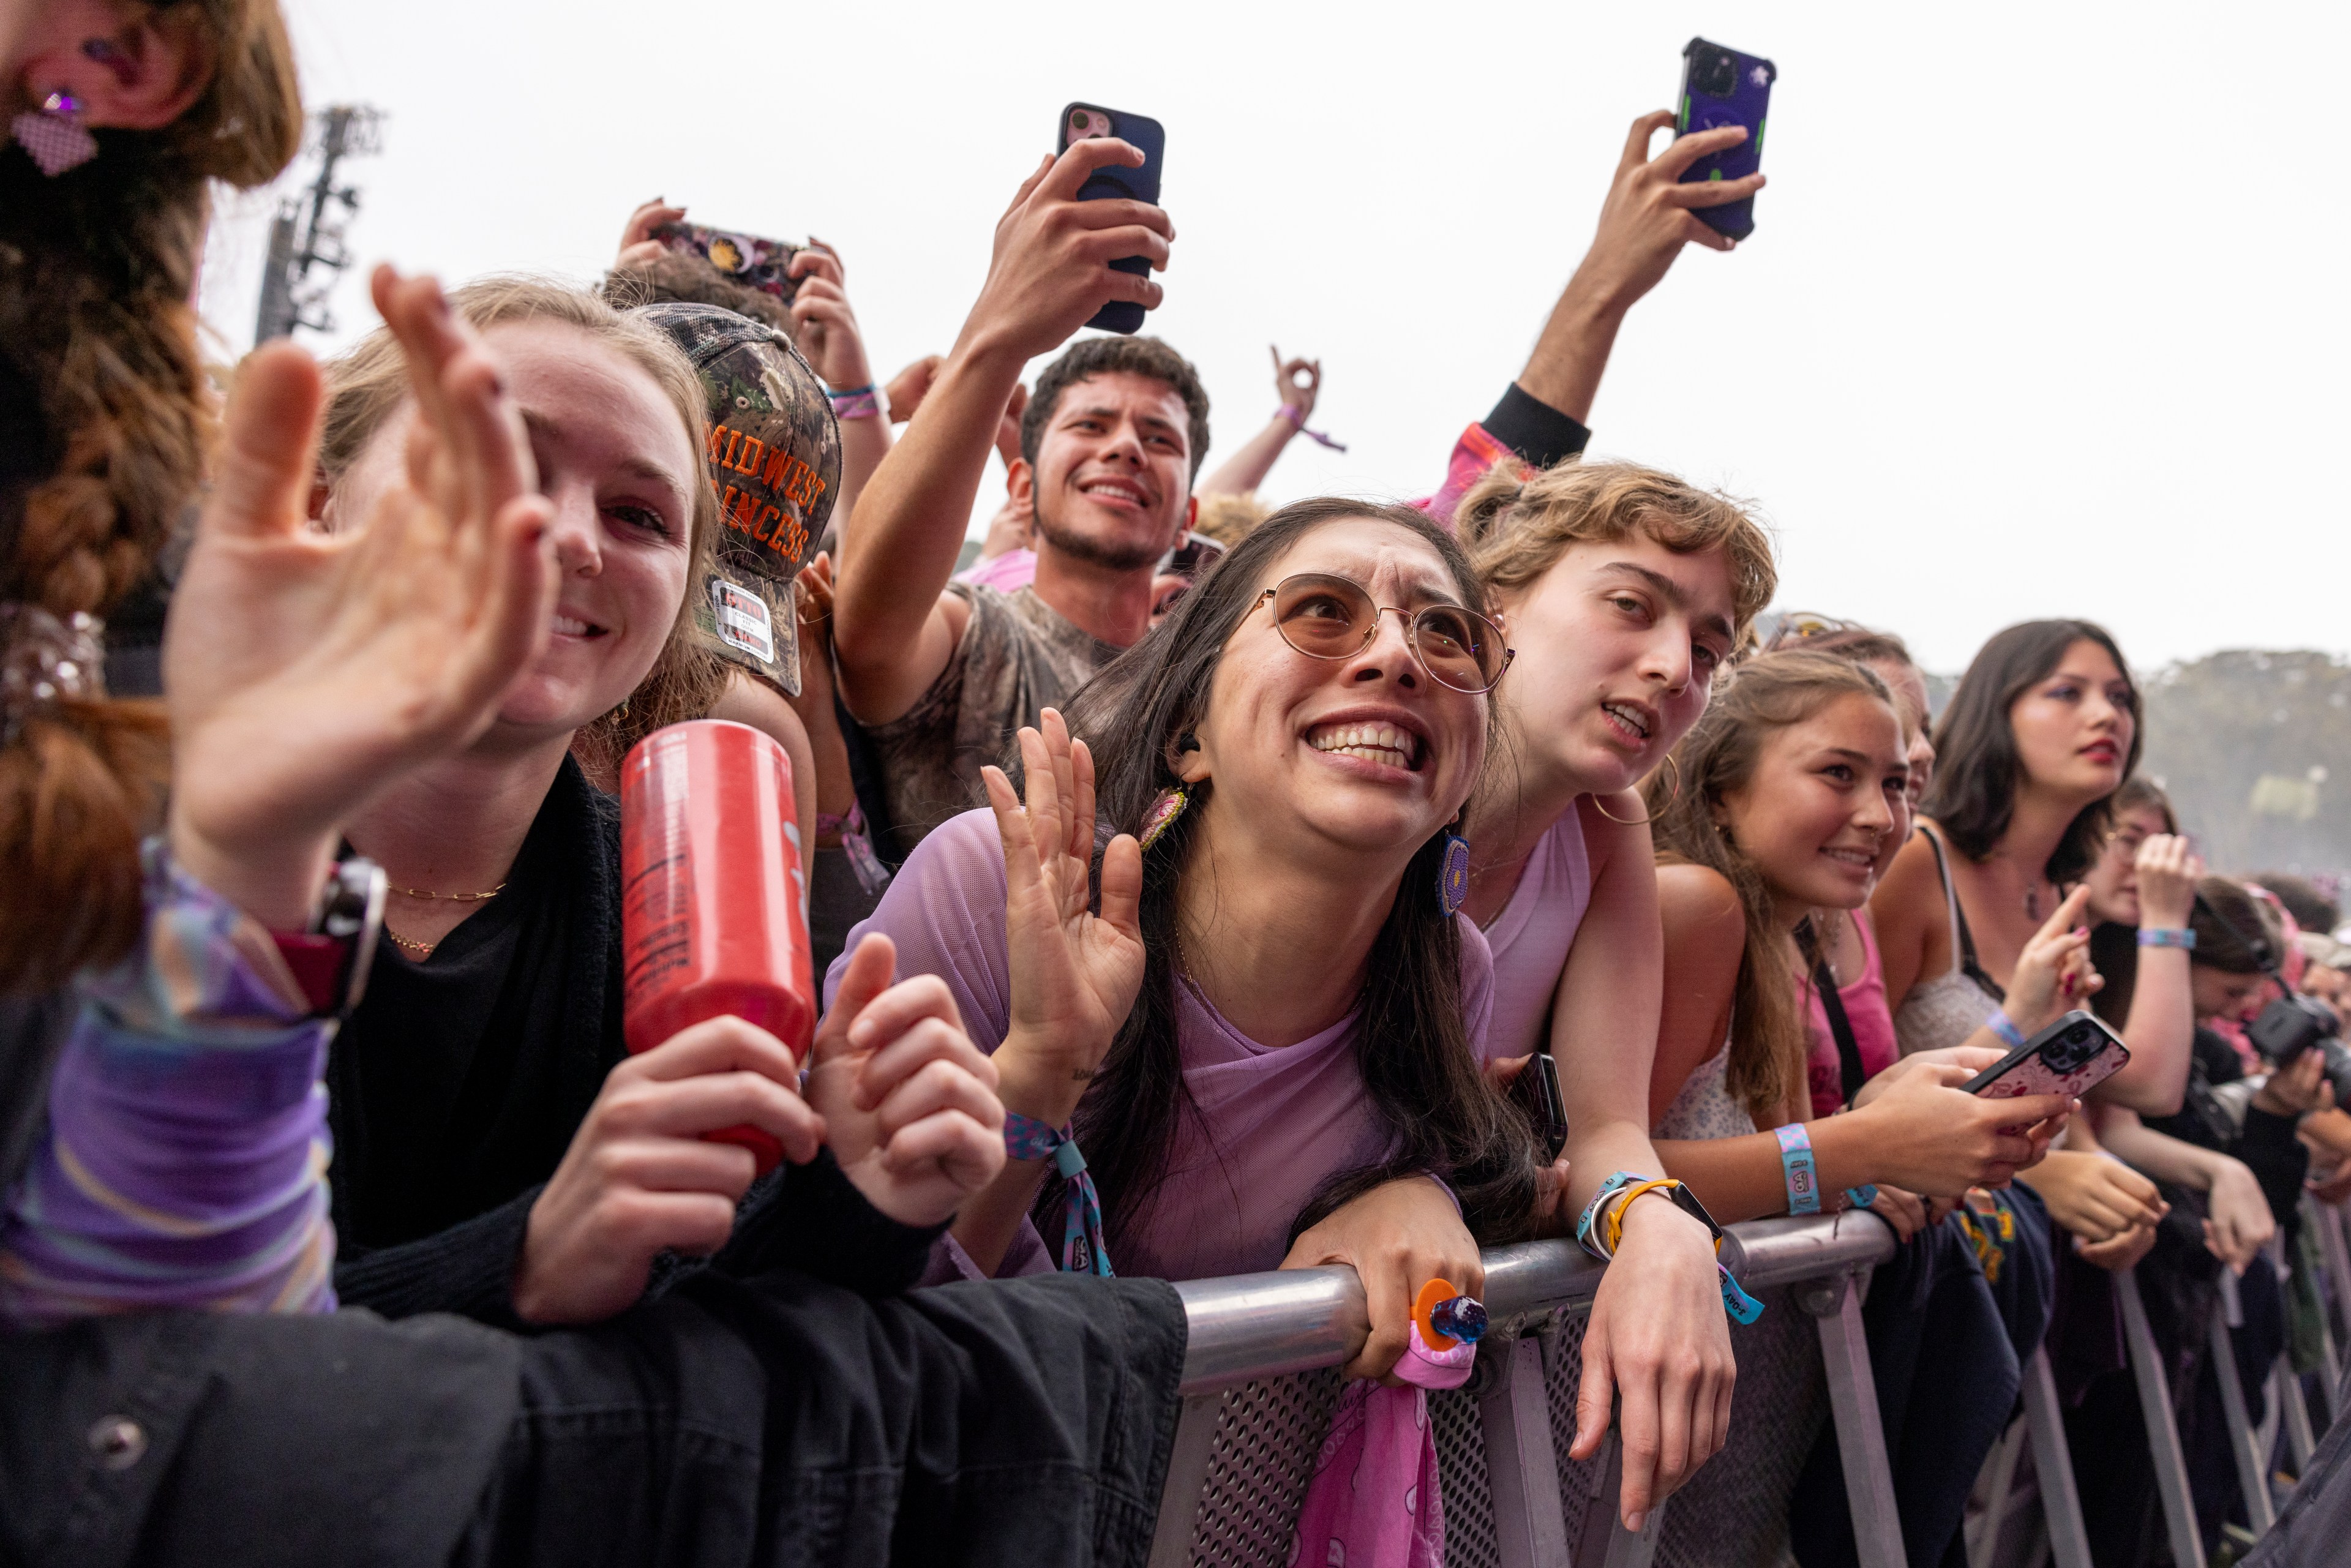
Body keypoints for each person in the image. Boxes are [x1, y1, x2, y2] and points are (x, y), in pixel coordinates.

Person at [830, 498, 1542, 1366]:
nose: (1397, 656)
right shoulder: (998, 890)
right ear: (1186, 734)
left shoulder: (1451, 972)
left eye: (1445, 634)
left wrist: (1420, 1191)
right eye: (1321, 610)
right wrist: (1040, 1071)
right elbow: (845, 1319)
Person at [1640, 650, 2073, 1568]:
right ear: (1721, 787)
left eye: (1896, 784)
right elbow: (1605, 1176)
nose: (1883, 817)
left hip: (1717, 1445)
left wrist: (1890, 1133)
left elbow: (1769, 1161)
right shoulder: (1696, 905)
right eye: (1838, 775)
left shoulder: (1775, 938)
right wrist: (1862, 1144)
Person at [831, 138, 1188, 855]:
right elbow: (868, 626)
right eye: (1091, 425)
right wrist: (1000, 331)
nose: (1124, 447)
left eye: (1160, 438)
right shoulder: (980, 637)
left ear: (1190, 518)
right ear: (1021, 481)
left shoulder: (1202, 696)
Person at [1869, 621, 2176, 1261]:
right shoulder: (1919, 863)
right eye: (2068, 692)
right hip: (1918, 1268)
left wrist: (2107, 1196)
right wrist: (2040, 1176)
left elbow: (2073, 1107)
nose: (2105, 715)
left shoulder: (2056, 889)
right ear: (1994, 713)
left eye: (2121, 698)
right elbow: (1851, 1096)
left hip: (2025, 1269)